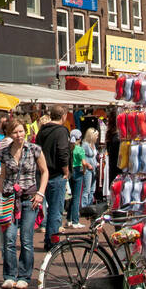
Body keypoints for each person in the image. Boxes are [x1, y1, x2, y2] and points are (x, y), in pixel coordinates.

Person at [0, 119, 48, 289]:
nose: (18, 136)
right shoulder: (4, 152)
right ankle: (9, 276)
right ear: (9, 134)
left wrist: (40, 193)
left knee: (26, 239)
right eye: (14, 132)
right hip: (9, 199)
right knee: (9, 239)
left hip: (29, 198)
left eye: (20, 132)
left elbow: (44, 171)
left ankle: (25, 276)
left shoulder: (34, 149)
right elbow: (3, 176)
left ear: (25, 132)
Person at [35, 105, 72, 249]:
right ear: (63, 116)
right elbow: (62, 152)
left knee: (48, 209)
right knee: (56, 211)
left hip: (43, 174)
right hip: (56, 174)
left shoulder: (42, 131)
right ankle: (53, 242)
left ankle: (48, 240)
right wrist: (66, 170)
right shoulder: (61, 131)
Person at [67, 128, 86, 228]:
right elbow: (83, 163)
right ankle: (75, 221)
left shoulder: (69, 148)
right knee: (76, 197)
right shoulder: (80, 149)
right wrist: (85, 170)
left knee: (73, 196)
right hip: (78, 171)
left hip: (70, 171)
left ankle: (69, 219)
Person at [80, 127, 100, 209]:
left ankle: (90, 205)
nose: (97, 137)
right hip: (87, 169)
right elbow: (82, 157)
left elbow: (94, 157)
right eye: (96, 136)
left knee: (92, 189)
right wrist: (87, 164)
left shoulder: (93, 145)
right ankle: (84, 207)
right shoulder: (85, 145)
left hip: (94, 169)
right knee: (87, 189)